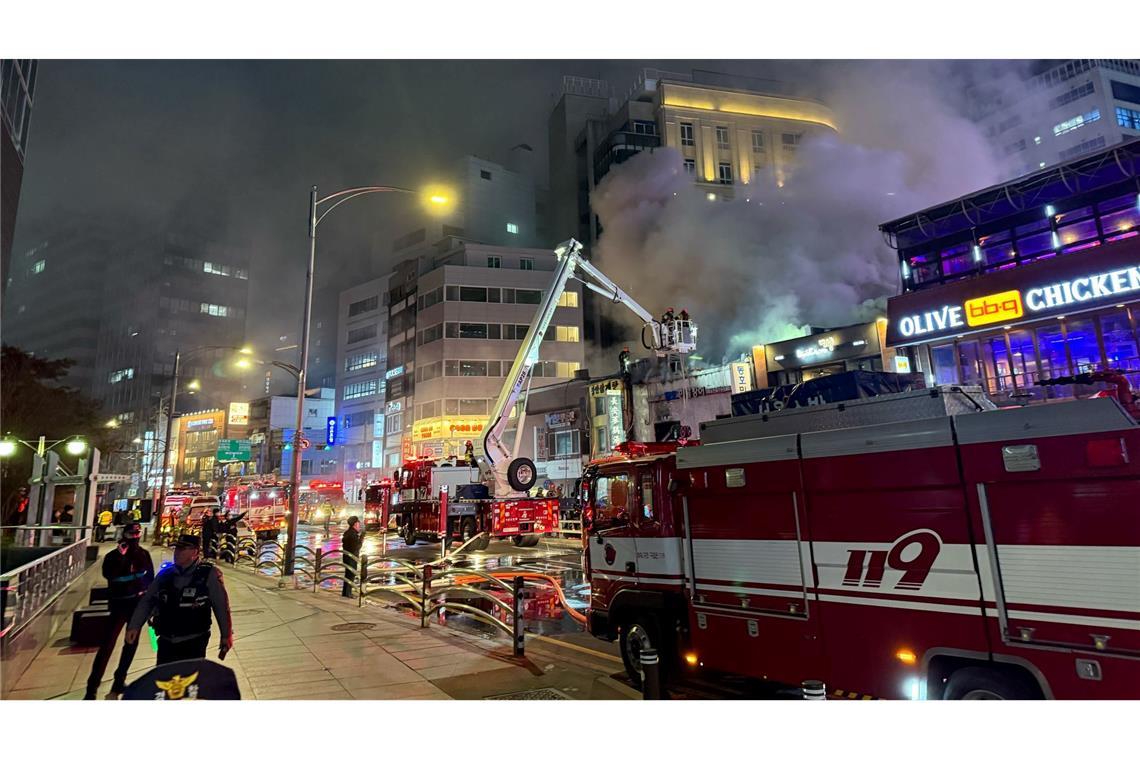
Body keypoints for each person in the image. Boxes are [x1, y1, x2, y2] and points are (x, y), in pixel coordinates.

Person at [126, 534, 233, 666]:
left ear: (195, 552)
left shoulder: (208, 574)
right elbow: (148, 601)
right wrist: (134, 626)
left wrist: (226, 635)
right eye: (176, 548)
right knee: (164, 680)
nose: (177, 553)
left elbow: (221, 606)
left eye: (183, 549)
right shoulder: (165, 575)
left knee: (190, 681)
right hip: (166, 640)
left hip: (194, 641)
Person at [84, 522, 154, 699]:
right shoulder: (112, 557)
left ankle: (119, 681)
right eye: (132, 534)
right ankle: (92, 688)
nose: (135, 537)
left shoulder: (144, 555)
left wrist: (151, 607)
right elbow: (111, 575)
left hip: (137, 606)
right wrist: (122, 557)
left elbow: (151, 580)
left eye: (137, 534)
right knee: (107, 645)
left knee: (131, 645)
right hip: (118, 605)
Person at [341, 516, 363, 599]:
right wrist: (361, 538)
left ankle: (345, 592)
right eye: (358, 523)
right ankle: (348, 593)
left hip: (347, 557)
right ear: (354, 524)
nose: (359, 524)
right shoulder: (353, 534)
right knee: (350, 575)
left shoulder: (348, 533)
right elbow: (357, 547)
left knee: (348, 574)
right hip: (351, 558)